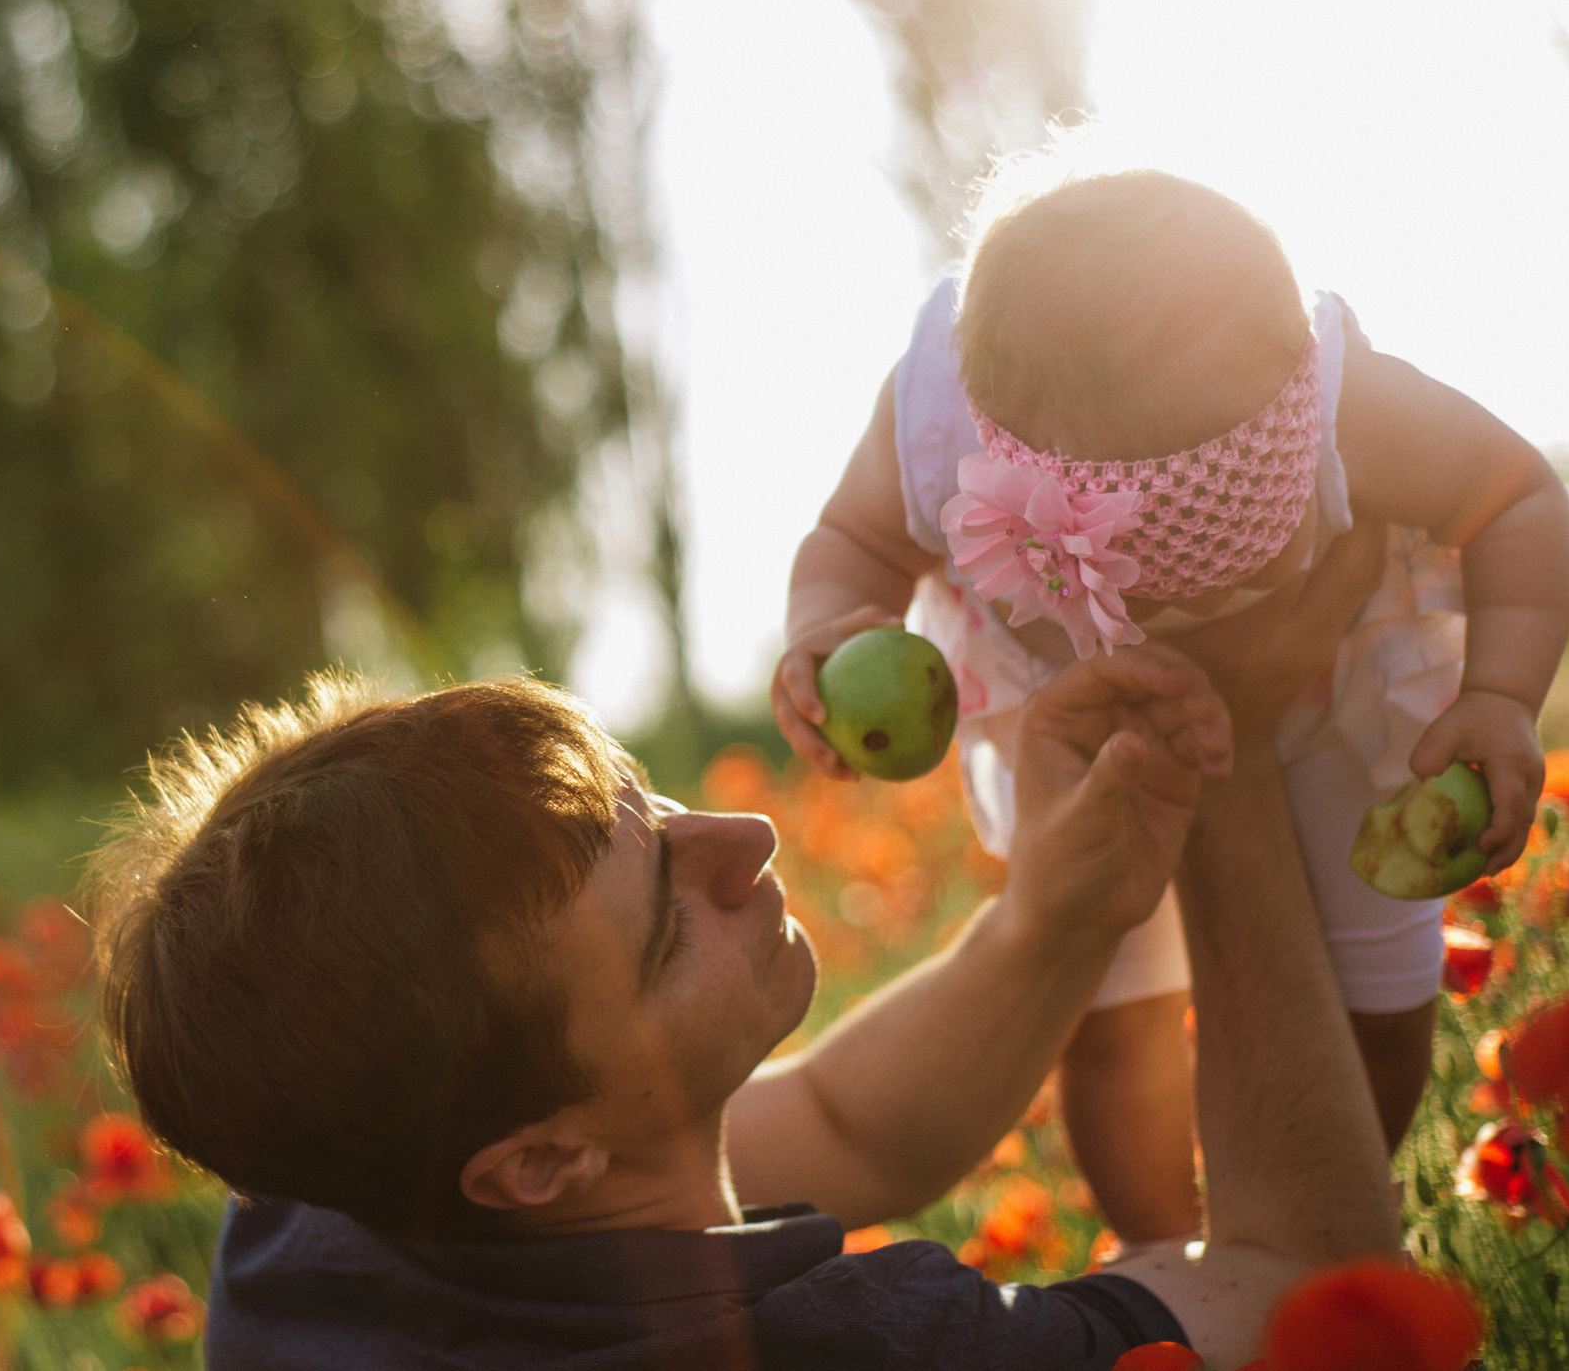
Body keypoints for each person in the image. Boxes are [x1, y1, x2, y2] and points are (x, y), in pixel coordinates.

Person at [87, 522, 1405, 1367]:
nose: (747, 834)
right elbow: (1319, 1288)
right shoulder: (842, 1352)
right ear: (541, 1159)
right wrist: (1230, 744)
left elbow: (849, 1125)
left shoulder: (319, 1221)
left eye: (645, 801)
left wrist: (1059, 907)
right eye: (667, 921)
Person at [775, 152, 1569, 1250]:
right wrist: (828, 628)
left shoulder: (1347, 401)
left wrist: (1500, 693)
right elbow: (855, 537)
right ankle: (1161, 1252)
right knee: (1104, 1012)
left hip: (1330, 698)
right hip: (1073, 724)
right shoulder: (931, 416)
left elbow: (1514, 493)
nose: (1176, 608)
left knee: (1379, 1004)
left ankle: (1324, 1193)